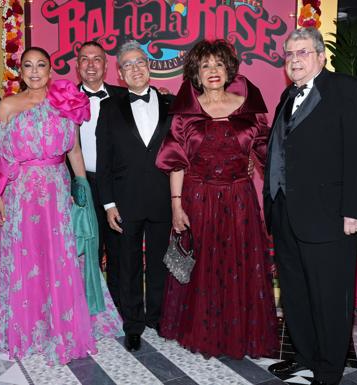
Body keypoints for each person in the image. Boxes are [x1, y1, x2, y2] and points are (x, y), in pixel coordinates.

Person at [0, 46, 122, 365]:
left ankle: (60, 328)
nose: (35, 71)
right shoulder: (7, 105)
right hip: (19, 194)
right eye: (28, 66)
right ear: (20, 72)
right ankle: (26, 330)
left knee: (59, 260)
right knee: (23, 263)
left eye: (41, 65)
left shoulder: (64, 101)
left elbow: (75, 151)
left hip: (56, 191)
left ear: (51, 70)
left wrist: (82, 188)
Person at [263, 27, 357, 385]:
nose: (294, 60)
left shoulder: (345, 89)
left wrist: (354, 210)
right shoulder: (286, 95)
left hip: (330, 216)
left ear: (320, 56)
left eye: (302, 53)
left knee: (329, 296)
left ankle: (328, 370)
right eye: (289, 55)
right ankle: (305, 357)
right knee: (295, 294)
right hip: (286, 215)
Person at [155, 39, 279, 359]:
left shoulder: (248, 109)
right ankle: (202, 331)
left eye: (219, 64)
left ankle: (236, 332)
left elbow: (270, 157)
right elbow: (177, 162)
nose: (213, 71)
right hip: (198, 200)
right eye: (205, 65)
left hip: (240, 201)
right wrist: (176, 204)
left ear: (229, 70)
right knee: (202, 268)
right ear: (195, 73)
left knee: (238, 266)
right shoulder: (185, 115)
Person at [96, 40, 173, 352]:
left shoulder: (173, 104)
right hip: (125, 200)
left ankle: (158, 317)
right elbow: (103, 161)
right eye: (128, 65)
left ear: (149, 65)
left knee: (160, 262)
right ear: (120, 73)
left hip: (164, 198)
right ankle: (133, 324)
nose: (135, 68)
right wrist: (108, 204)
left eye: (140, 62)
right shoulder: (109, 108)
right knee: (127, 265)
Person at [75, 41, 127, 307]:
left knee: (118, 248)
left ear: (107, 66)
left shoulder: (124, 97)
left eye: (97, 59)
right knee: (86, 248)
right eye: (85, 59)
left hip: (117, 186)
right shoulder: (64, 100)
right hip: (80, 185)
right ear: (77, 66)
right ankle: (90, 306)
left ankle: (117, 306)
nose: (91, 64)